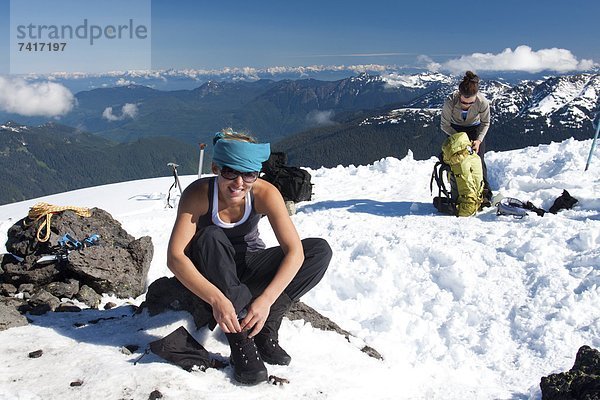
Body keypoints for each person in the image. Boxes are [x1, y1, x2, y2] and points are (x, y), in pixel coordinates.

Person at [166, 128, 332, 385]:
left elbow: (295, 252)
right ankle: (240, 337)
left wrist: (266, 300)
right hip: (209, 271)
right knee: (209, 236)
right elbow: (176, 257)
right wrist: (217, 300)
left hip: (247, 266)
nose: (239, 183)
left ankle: (266, 324)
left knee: (318, 251)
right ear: (215, 168)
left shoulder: (265, 193)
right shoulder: (198, 195)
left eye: (249, 174)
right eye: (230, 171)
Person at [440, 70, 493, 202]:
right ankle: (458, 191)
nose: (466, 105)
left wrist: (479, 140)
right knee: (454, 160)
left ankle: (485, 193)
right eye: (464, 102)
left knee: (479, 160)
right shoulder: (450, 101)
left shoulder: (482, 102)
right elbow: (444, 125)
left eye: (470, 103)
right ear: (459, 95)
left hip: (475, 130)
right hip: (454, 130)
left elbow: (485, 122)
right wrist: (460, 140)